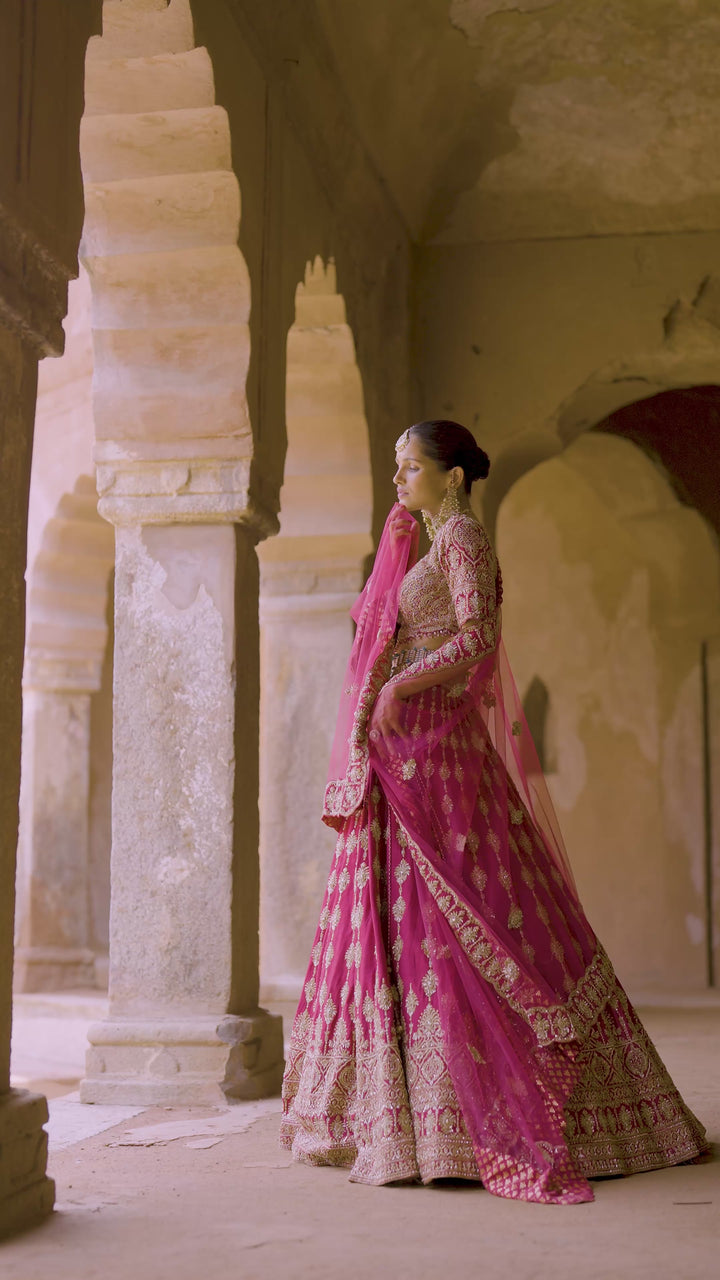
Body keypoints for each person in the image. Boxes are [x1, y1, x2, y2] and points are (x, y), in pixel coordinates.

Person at [280, 419, 708, 1203]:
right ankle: (408, 1120)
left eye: (413, 466)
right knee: (401, 922)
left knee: (472, 910)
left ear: (453, 476)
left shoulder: (463, 538)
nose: (400, 479)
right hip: (402, 752)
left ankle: (497, 1116)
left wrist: (400, 684)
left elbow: (478, 636)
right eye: (397, 466)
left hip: (437, 754)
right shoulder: (426, 542)